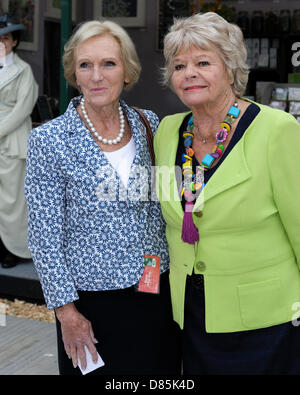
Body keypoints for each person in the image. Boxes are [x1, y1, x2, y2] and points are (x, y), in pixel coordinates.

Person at [25, 20, 181, 376]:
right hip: (90, 306)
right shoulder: (50, 140)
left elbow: (164, 206)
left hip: (154, 294)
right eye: (85, 65)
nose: (97, 75)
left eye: (108, 63)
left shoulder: (149, 124)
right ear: (74, 75)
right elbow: (43, 236)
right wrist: (66, 312)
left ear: (127, 70)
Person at [154, 11, 300, 375]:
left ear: (231, 68)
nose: (189, 73)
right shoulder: (167, 131)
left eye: (203, 62)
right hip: (190, 314)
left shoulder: (276, 129)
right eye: (179, 65)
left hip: (265, 321)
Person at [0, 14, 38, 269]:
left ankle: (12, 249)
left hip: (10, 139)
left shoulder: (23, 70)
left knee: (12, 199)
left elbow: (23, 108)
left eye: (5, 38)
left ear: (14, 42)